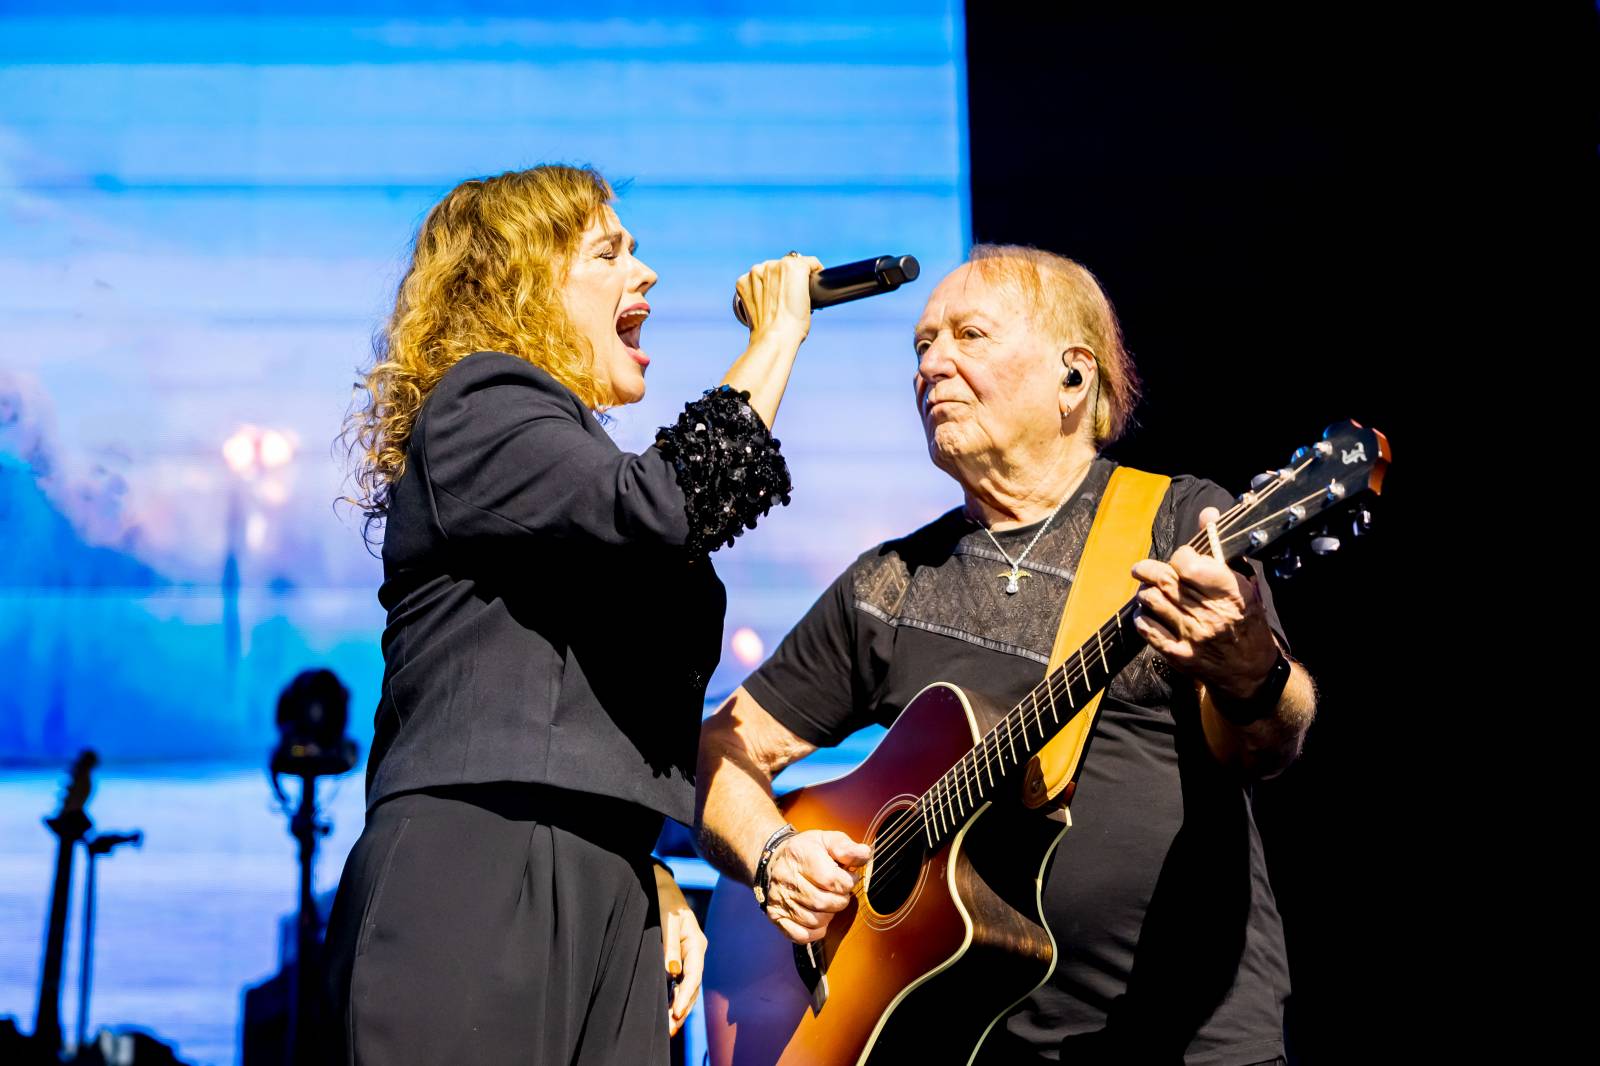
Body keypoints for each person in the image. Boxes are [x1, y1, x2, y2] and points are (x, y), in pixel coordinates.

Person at [695, 245, 1316, 1064]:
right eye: (922, 345)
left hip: (1189, 1040)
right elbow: (720, 749)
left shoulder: (1178, 522)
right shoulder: (890, 582)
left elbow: (1268, 743)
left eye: (969, 335)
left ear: (1073, 376)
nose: (932, 364)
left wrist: (1249, 670)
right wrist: (774, 855)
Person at [323, 164, 821, 1065]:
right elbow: (671, 502)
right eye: (610, 251)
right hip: (480, 871)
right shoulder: (478, 405)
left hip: (608, 882)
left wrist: (648, 872)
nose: (648, 273)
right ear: (522, 285)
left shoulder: (563, 467)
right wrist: (778, 334)